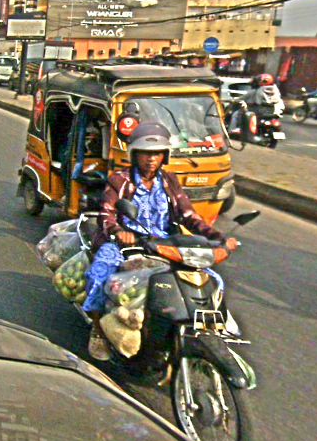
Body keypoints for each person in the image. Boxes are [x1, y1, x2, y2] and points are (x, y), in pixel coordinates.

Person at [82, 121, 238, 361]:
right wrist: (119, 231)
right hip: (126, 244)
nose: (151, 159)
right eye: (145, 153)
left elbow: (188, 215)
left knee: (209, 278)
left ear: (164, 156)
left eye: (156, 153)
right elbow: (106, 215)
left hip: (164, 243)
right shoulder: (120, 180)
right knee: (100, 272)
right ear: (135, 155)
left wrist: (218, 238)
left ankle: (209, 330)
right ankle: (98, 329)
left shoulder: (169, 181)